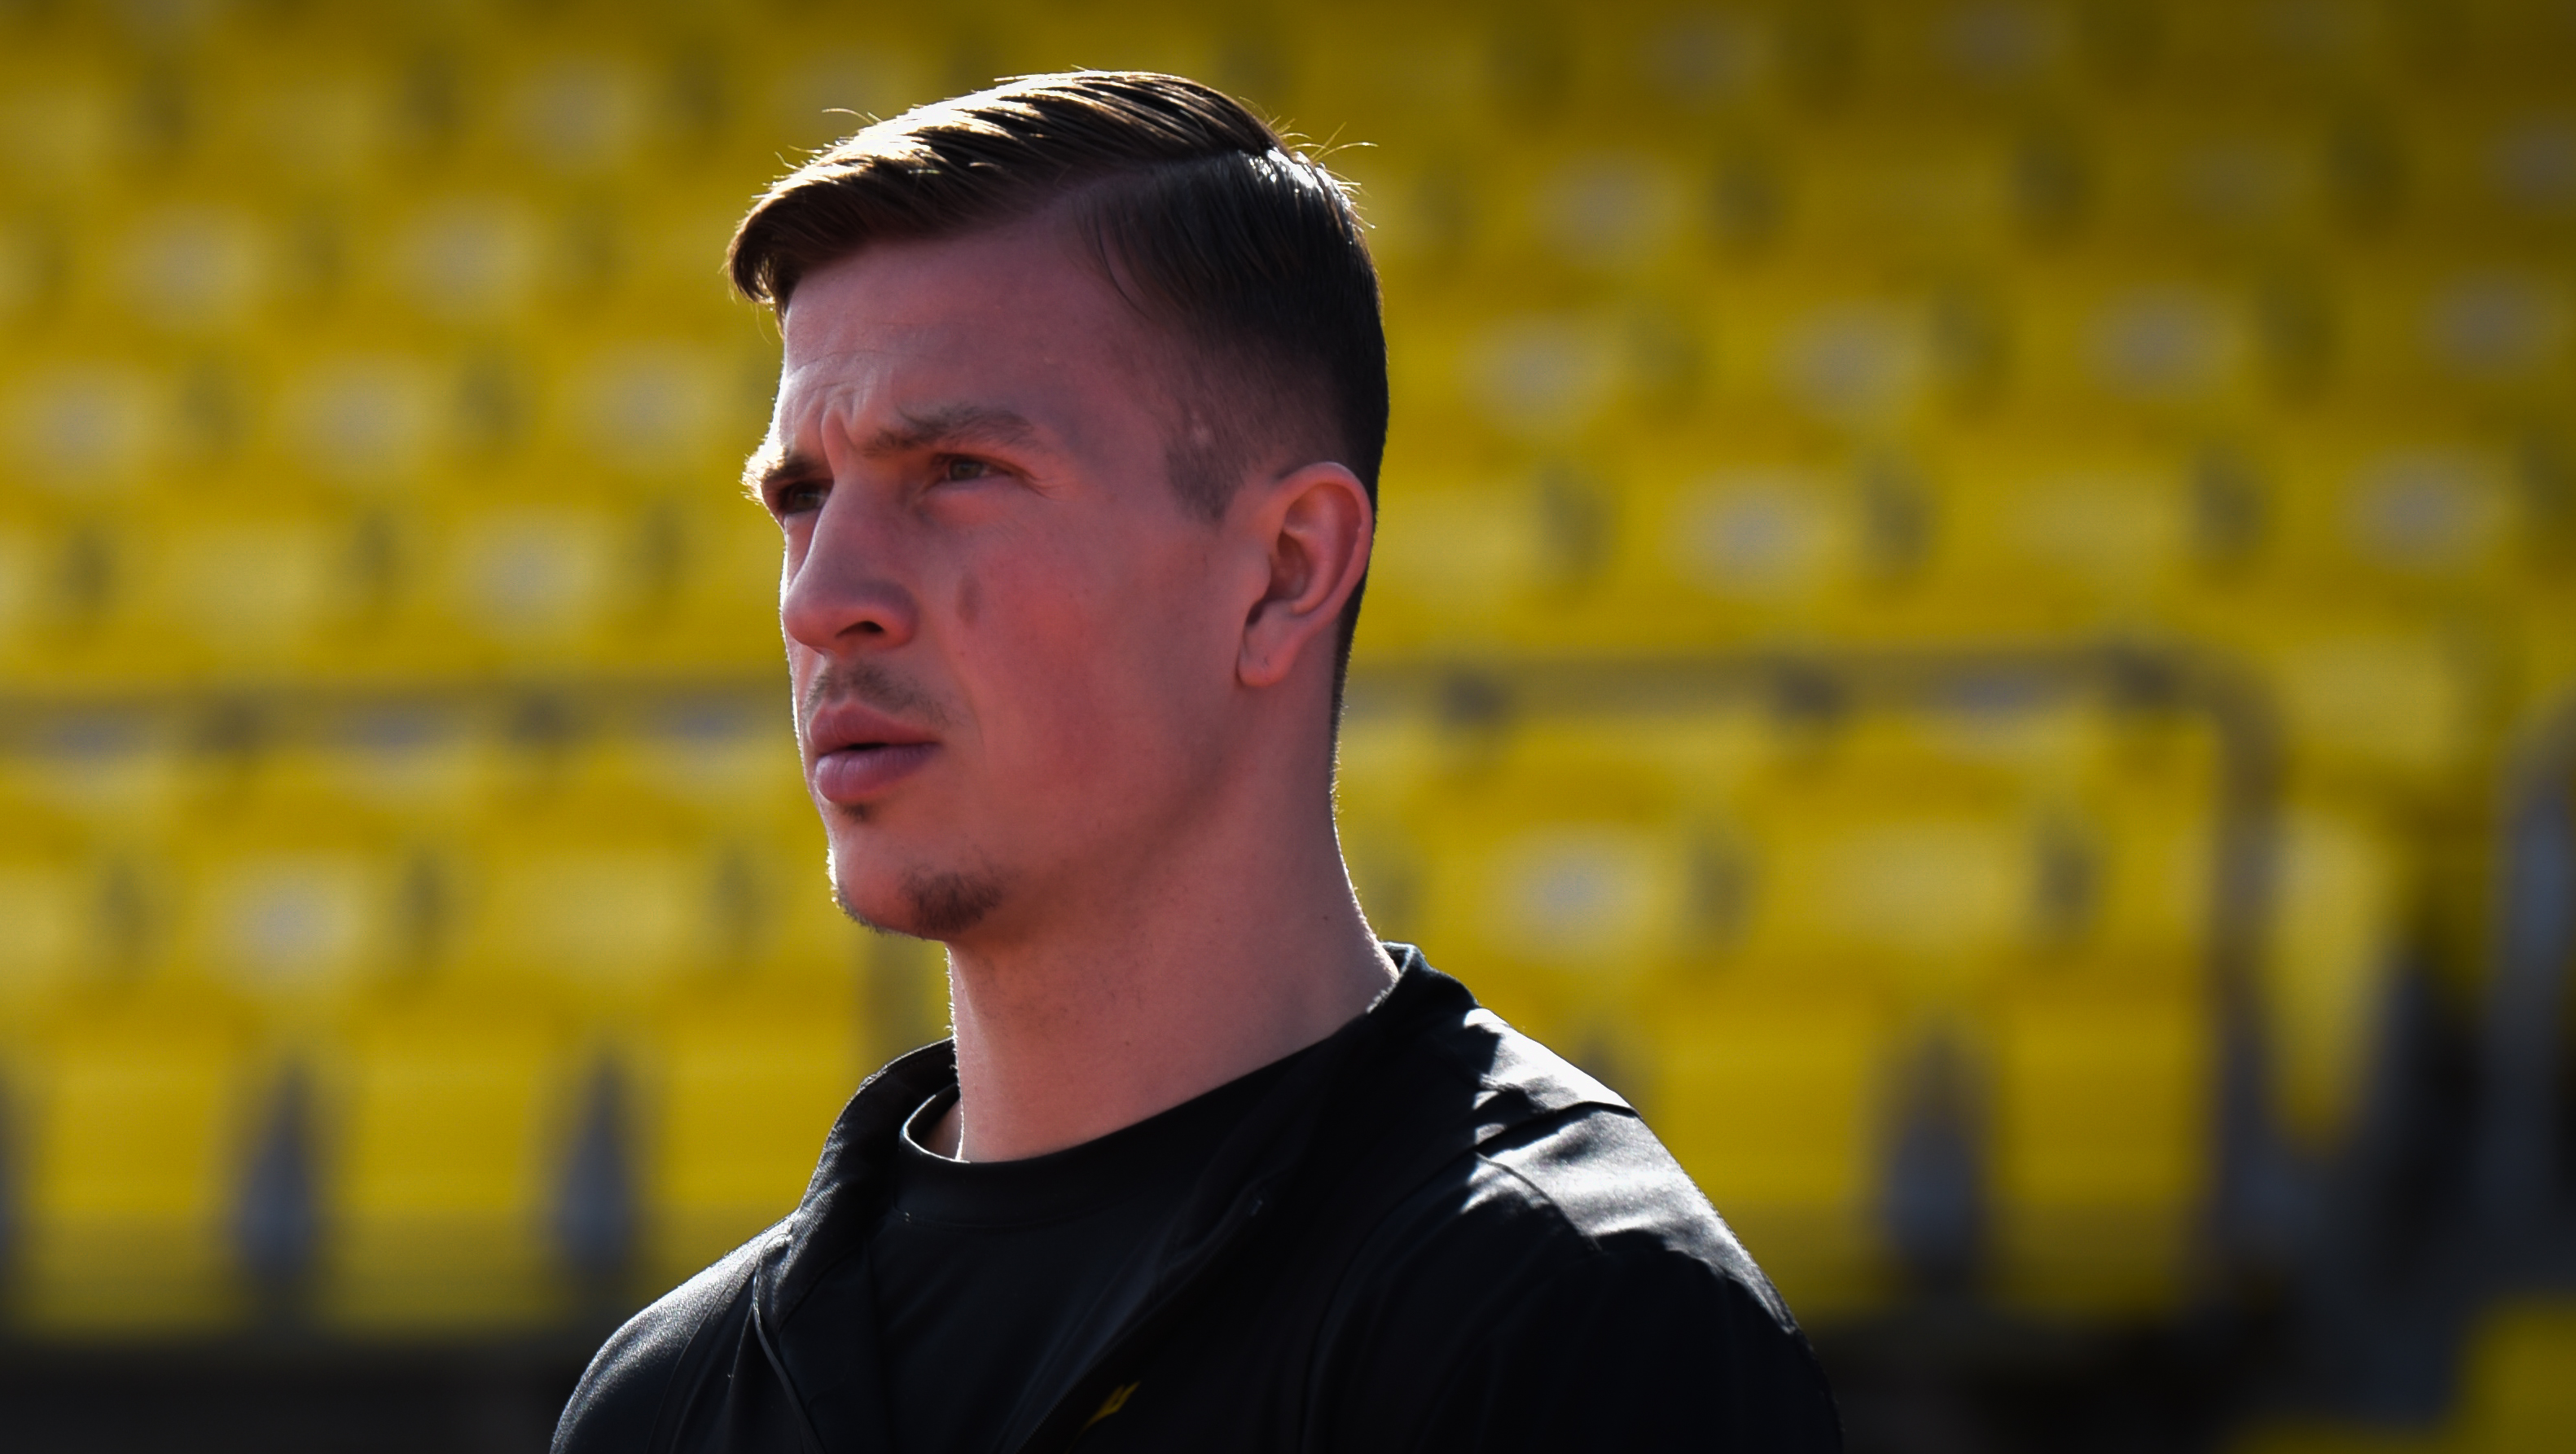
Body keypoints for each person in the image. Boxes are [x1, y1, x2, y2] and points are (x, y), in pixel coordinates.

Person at [551, 73, 1841, 1452]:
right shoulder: (663, 1402)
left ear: (1282, 570)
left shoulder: (1569, 1318)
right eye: (802, 496)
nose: (822, 599)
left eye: (959, 470)